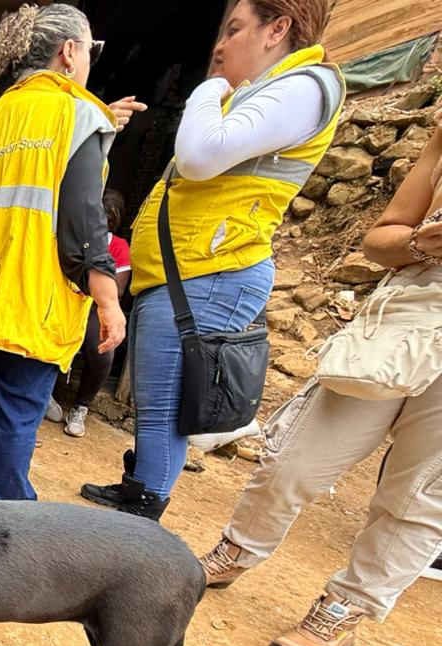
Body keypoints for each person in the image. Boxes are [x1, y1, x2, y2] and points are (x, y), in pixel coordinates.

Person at [81, 0, 345, 520]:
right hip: (192, 274)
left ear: (278, 29)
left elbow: (201, 156)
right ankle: (142, 492)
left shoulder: (304, 86)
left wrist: (206, 89)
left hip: (209, 275)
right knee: (161, 409)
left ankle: (139, 522)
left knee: (162, 411)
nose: (219, 46)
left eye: (234, 29)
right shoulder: (269, 93)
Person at [198, 124, 442, 646]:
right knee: (296, 457)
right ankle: (237, 549)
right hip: (406, 319)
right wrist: (417, 242)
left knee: (419, 496)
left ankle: (344, 608)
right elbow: (381, 240)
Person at [0, 3, 128, 501]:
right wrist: (107, 299)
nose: (89, 62)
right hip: (30, 306)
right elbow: (84, 222)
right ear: (69, 52)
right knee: (18, 416)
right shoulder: (78, 115)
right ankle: (10, 522)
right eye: (91, 51)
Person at [62, 189, 131, 438]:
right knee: (48, 339)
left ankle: (81, 406)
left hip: (93, 304)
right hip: (65, 298)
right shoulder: (69, 237)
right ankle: (44, 397)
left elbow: (119, 290)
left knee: (102, 349)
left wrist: (92, 286)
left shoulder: (119, 246)